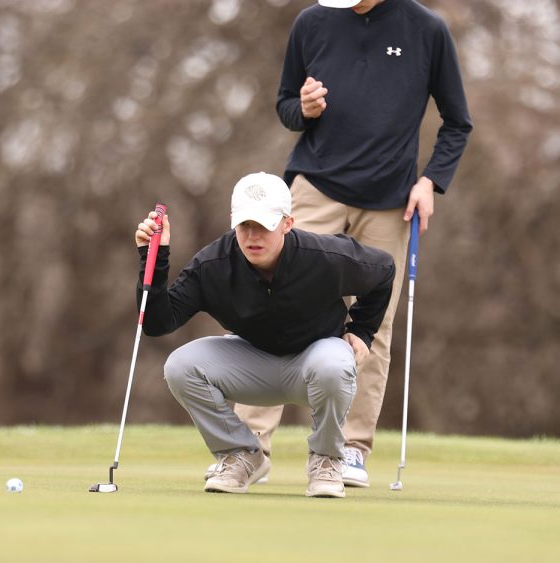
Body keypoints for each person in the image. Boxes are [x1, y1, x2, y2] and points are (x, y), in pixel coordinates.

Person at [232, 0, 473, 487]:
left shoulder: (427, 29)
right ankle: (248, 448)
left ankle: (349, 450)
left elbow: (457, 122)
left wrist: (431, 182)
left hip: (390, 198)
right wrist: (303, 107)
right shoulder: (312, 22)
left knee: (372, 327)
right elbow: (286, 107)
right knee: (277, 303)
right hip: (315, 186)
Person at [137, 172, 395, 497]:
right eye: (245, 225)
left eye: (263, 225)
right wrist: (154, 257)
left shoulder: (324, 257)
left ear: (287, 223)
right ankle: (242, 454)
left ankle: (326, 459)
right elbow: (159, 323)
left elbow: (384, 269)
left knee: (334, 364)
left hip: (314, 365)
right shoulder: (213, 264)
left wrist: (362, 329)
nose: (252, 236)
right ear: (233, 223)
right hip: (252, 365)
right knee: (180, 366)